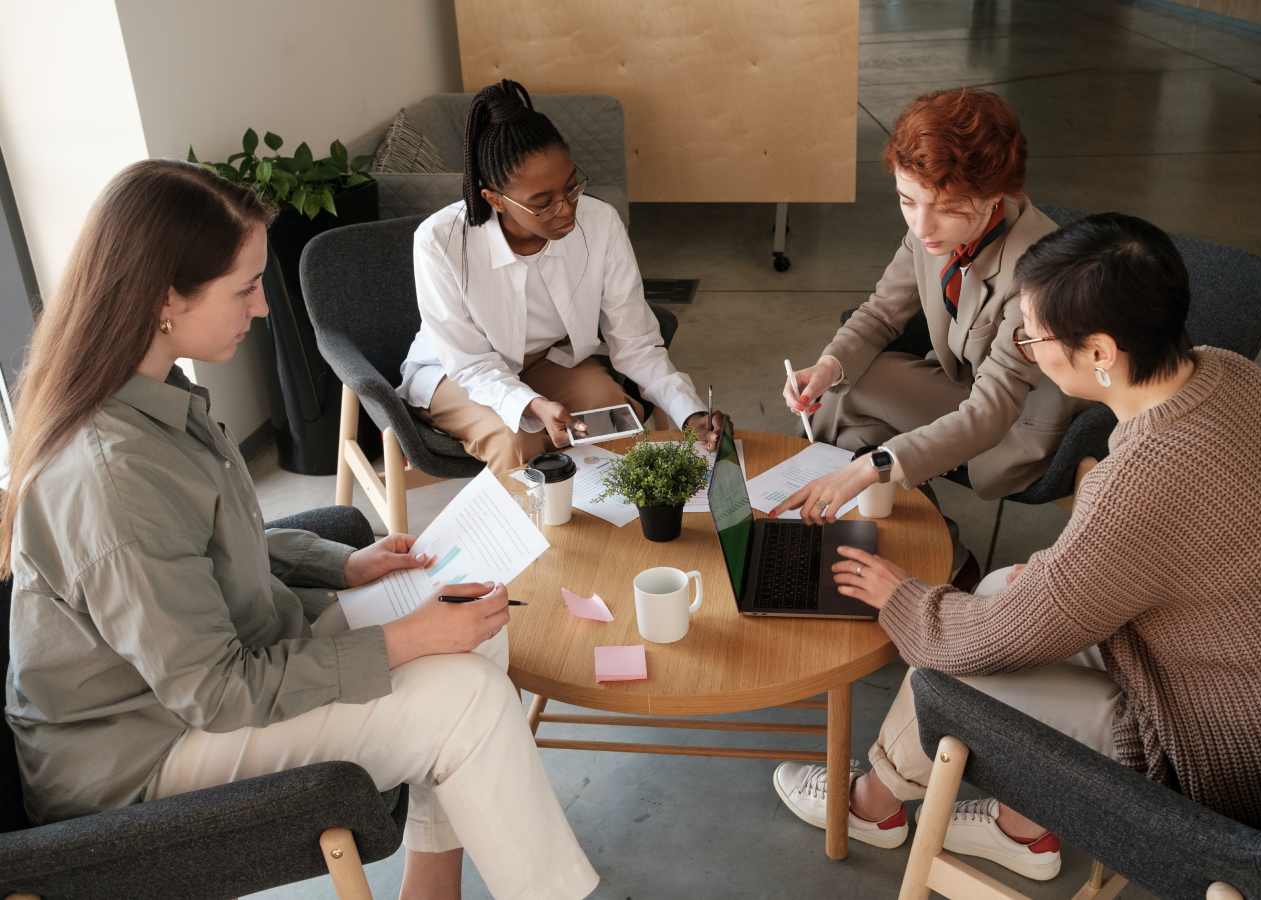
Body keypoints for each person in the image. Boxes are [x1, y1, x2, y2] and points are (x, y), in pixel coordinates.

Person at [2, 160, 598, 900]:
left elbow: (201, 550)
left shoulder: (152, 394)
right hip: (146, 751)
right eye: (245, 288)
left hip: (208, 675)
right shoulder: (111, 475)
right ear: (164, 300)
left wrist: (339, 564)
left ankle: (430, 889)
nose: (261, 310)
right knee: (465, 697)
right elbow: (217, 693)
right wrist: (403, 641)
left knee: (473, 618)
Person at [772, 213, 1261, 881]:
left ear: (1101, 352)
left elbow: (986, 640)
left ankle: (870, 805)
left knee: (951, 671)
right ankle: (1024, 831)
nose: (1027, 347)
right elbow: (1138, 547)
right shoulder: (1227, 373)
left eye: (1032, 334)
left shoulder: (1147, 479)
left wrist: (899, 597)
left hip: (1228, 763)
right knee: (1003, 586)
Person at [775, 88, 1082, 582]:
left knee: (854, 430)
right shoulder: (933, 227)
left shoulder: (1038, 272)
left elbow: (990, 412)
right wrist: (828, 366)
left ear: (995, 195)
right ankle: (932, 549)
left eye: (945, 206)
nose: (922, 225)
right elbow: (880, 313)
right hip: (967, 389)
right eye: (906, 200)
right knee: (848, 406)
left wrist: (869, 468)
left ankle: (919, 553)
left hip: (1015, 422)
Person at [398, 79, 723, 474]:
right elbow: (469, 364)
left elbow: (636, 343)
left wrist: (690, 413)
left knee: (616, 418)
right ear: (495, 199)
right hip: (458, 372)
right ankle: (534, 535)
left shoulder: (600, 222)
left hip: (545, 360)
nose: (566, 210)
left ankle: (618, 531)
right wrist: (530, 404)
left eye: (571, 188)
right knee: (518, 438)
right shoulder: (439, 242)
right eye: (542, 202)